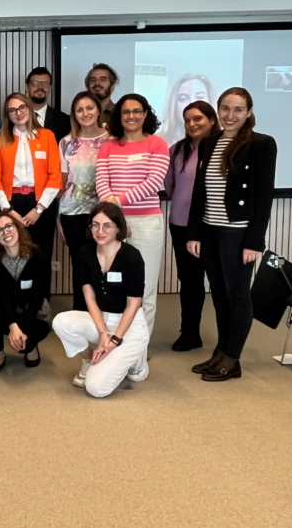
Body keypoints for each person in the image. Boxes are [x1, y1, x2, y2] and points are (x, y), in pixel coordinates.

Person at [186, 88, 276, 382]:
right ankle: (220, 352)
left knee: (237, 295)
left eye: (238, 109)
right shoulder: (210, 142)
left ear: (249, 112)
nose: (230, 115)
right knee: (220, 294)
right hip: (210, 230)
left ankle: (232, 358)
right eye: (225, 108)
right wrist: (194, 233)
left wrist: (255, 241)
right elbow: (199, 193)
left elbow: (263, 197)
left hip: (237, 233)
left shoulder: (261, 144)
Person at [52, 202, 150, 398]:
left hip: (128, 325)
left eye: (107, 225)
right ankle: (90, 360)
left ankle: (136, 360)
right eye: (95, 225)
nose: (100, 230)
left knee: (96, 389)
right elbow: (89, 297)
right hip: (101, 320)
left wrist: (115, 340)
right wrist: (103, 334)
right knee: (61, 322)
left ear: (118, 228)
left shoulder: (132, 256)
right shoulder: (85, 253)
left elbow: (134, 303)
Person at [95, 93, 169, 336]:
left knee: (143, 287)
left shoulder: (157, 144)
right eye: (126, 112)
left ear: (145, 114)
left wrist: (117, 202)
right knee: (114, 283)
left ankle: (140, 346)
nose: (131, 116)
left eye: (137, 111)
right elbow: (101, 183)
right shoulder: (108, 146)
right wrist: (115, 213)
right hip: (113, 224)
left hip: (146, 222)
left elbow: (153, 182)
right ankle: (116, 338)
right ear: (119, 115)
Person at [0, 92, 61, 290]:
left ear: (29, 109)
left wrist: (39, 209)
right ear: (8, 115)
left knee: (41, 256)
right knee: (12, 255)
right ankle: (15, 309)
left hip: (41, 204)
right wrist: (8, 211)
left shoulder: (47, 136)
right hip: (12, 204)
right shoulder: (1, 139)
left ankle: (42, 309)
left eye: (22, 108)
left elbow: (55, 177)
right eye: (12, 110)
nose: (18, 113)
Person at [163, 101, 220, 352]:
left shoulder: (221, 148)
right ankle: (190, 333)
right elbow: (170, 186)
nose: (192, 124)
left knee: (219, 282)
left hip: (213, 225)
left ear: (212, 120)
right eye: (187, 120)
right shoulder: (176, 150)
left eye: (197, 119)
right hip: (181, 225)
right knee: (190, 281)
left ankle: (226, 340)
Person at [56, 91, 110, 310]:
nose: (85, 113)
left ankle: (102, 313)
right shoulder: (66, 142)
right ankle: (80, 313)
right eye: (80, 109)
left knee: (103, 263)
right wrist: (58, 218)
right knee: (79, 265)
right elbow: (62, 183)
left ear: (98, 110)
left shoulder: (112, 140)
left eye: (90, 108)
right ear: (74, 114)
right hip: (72, 213)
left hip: (103, 212)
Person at [0, 211, 50, 373]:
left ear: (17, 228)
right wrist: (13, 325)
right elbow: (2, 295)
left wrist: (23, 327)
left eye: (9, 226)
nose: (5, 232)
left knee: (25, 346)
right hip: (10, 311)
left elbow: (38, 297)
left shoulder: (37, 256)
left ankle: (32, 347)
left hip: (35, 314)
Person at [160, 74, 217, 146]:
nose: (192, 103)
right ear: (174, 105)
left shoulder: (223, 143)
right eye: (183, 98)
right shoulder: (158, 142)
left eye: (200, 97)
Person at [26, 67, 71, 142]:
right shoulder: (16, 117)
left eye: (45, 84)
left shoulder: (64, 121)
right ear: (27, 87)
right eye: (35, 83)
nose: (40, 87)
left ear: (50, 88)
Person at [85, 63, 119, 129]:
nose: (97, 83)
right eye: (93, 79)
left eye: (103, 79)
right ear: (88, 86)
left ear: (112, 87)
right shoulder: (78, 114)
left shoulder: (119, 114)